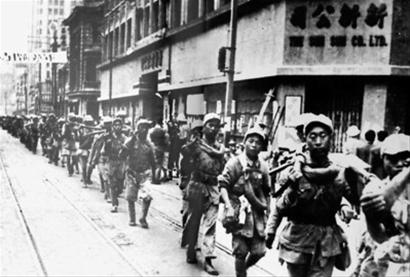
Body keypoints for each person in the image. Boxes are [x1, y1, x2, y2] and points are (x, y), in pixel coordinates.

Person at [265, 114, 356, 277]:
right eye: (312, 136)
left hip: (326, 242)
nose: (318, 141)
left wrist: (345, 206)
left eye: (323, 136)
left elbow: (345, 195)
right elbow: (280, 206)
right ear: (305, 140)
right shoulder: (294, 168)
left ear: (331, 138)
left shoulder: (338, 171)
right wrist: (271, 230)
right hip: (297, 241)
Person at [219, 127, 271, 277]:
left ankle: (243, 270)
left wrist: (268, 212)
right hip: (240, 212)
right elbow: (223, 185)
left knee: (259, 252)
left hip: (257, 214)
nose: (254, 145)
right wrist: (228, 206)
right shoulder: (235, 163)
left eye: (258, 142)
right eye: (251, 141)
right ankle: (240, 274)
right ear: (245, 143)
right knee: (241, 251)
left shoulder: (263, 166)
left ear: (262, 146)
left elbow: (267, 191)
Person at [358, 134, 410, 277]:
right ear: (383, 160)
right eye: (393, 159)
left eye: (405, 157)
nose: (399, 164)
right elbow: (378, 236)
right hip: (383, 262)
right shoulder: (375, 188)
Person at [181, 113, 225, 275]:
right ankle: (191, 248)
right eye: (210, 125)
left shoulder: (220, 148)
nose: (213, 128)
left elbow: (224, 167)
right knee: (194, 221)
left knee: (210, 226)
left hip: (213, 188)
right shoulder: (196, 145)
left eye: (216, 125)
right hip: (197, 187)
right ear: (204, 127)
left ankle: (207, 260)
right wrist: (184, 181)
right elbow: (184, 158)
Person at [120, 118, 155, 228]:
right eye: (142, 127)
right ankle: (132, 218)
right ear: (138, 129)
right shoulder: (130, 142)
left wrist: (155, 174)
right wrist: (132, 139)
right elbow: (122, 155)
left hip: (145, 174)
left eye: (147, 128)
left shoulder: (149, 144)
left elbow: (152, 160)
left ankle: (143, 218)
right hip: (132, 173)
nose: (145, 130)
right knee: (131, 197)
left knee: (147, 197)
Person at [101, 117, 127, 213]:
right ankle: (114, 204)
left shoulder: (124, 138)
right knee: (112, 183)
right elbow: (103, 151)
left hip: (121, 162)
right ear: (113, 127)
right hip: (111, 162)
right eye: (115, 125)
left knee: (120, 185)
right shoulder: (108, 137)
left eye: (119, 125)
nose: (117, 127)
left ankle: (116, 194)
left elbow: (128, 149)